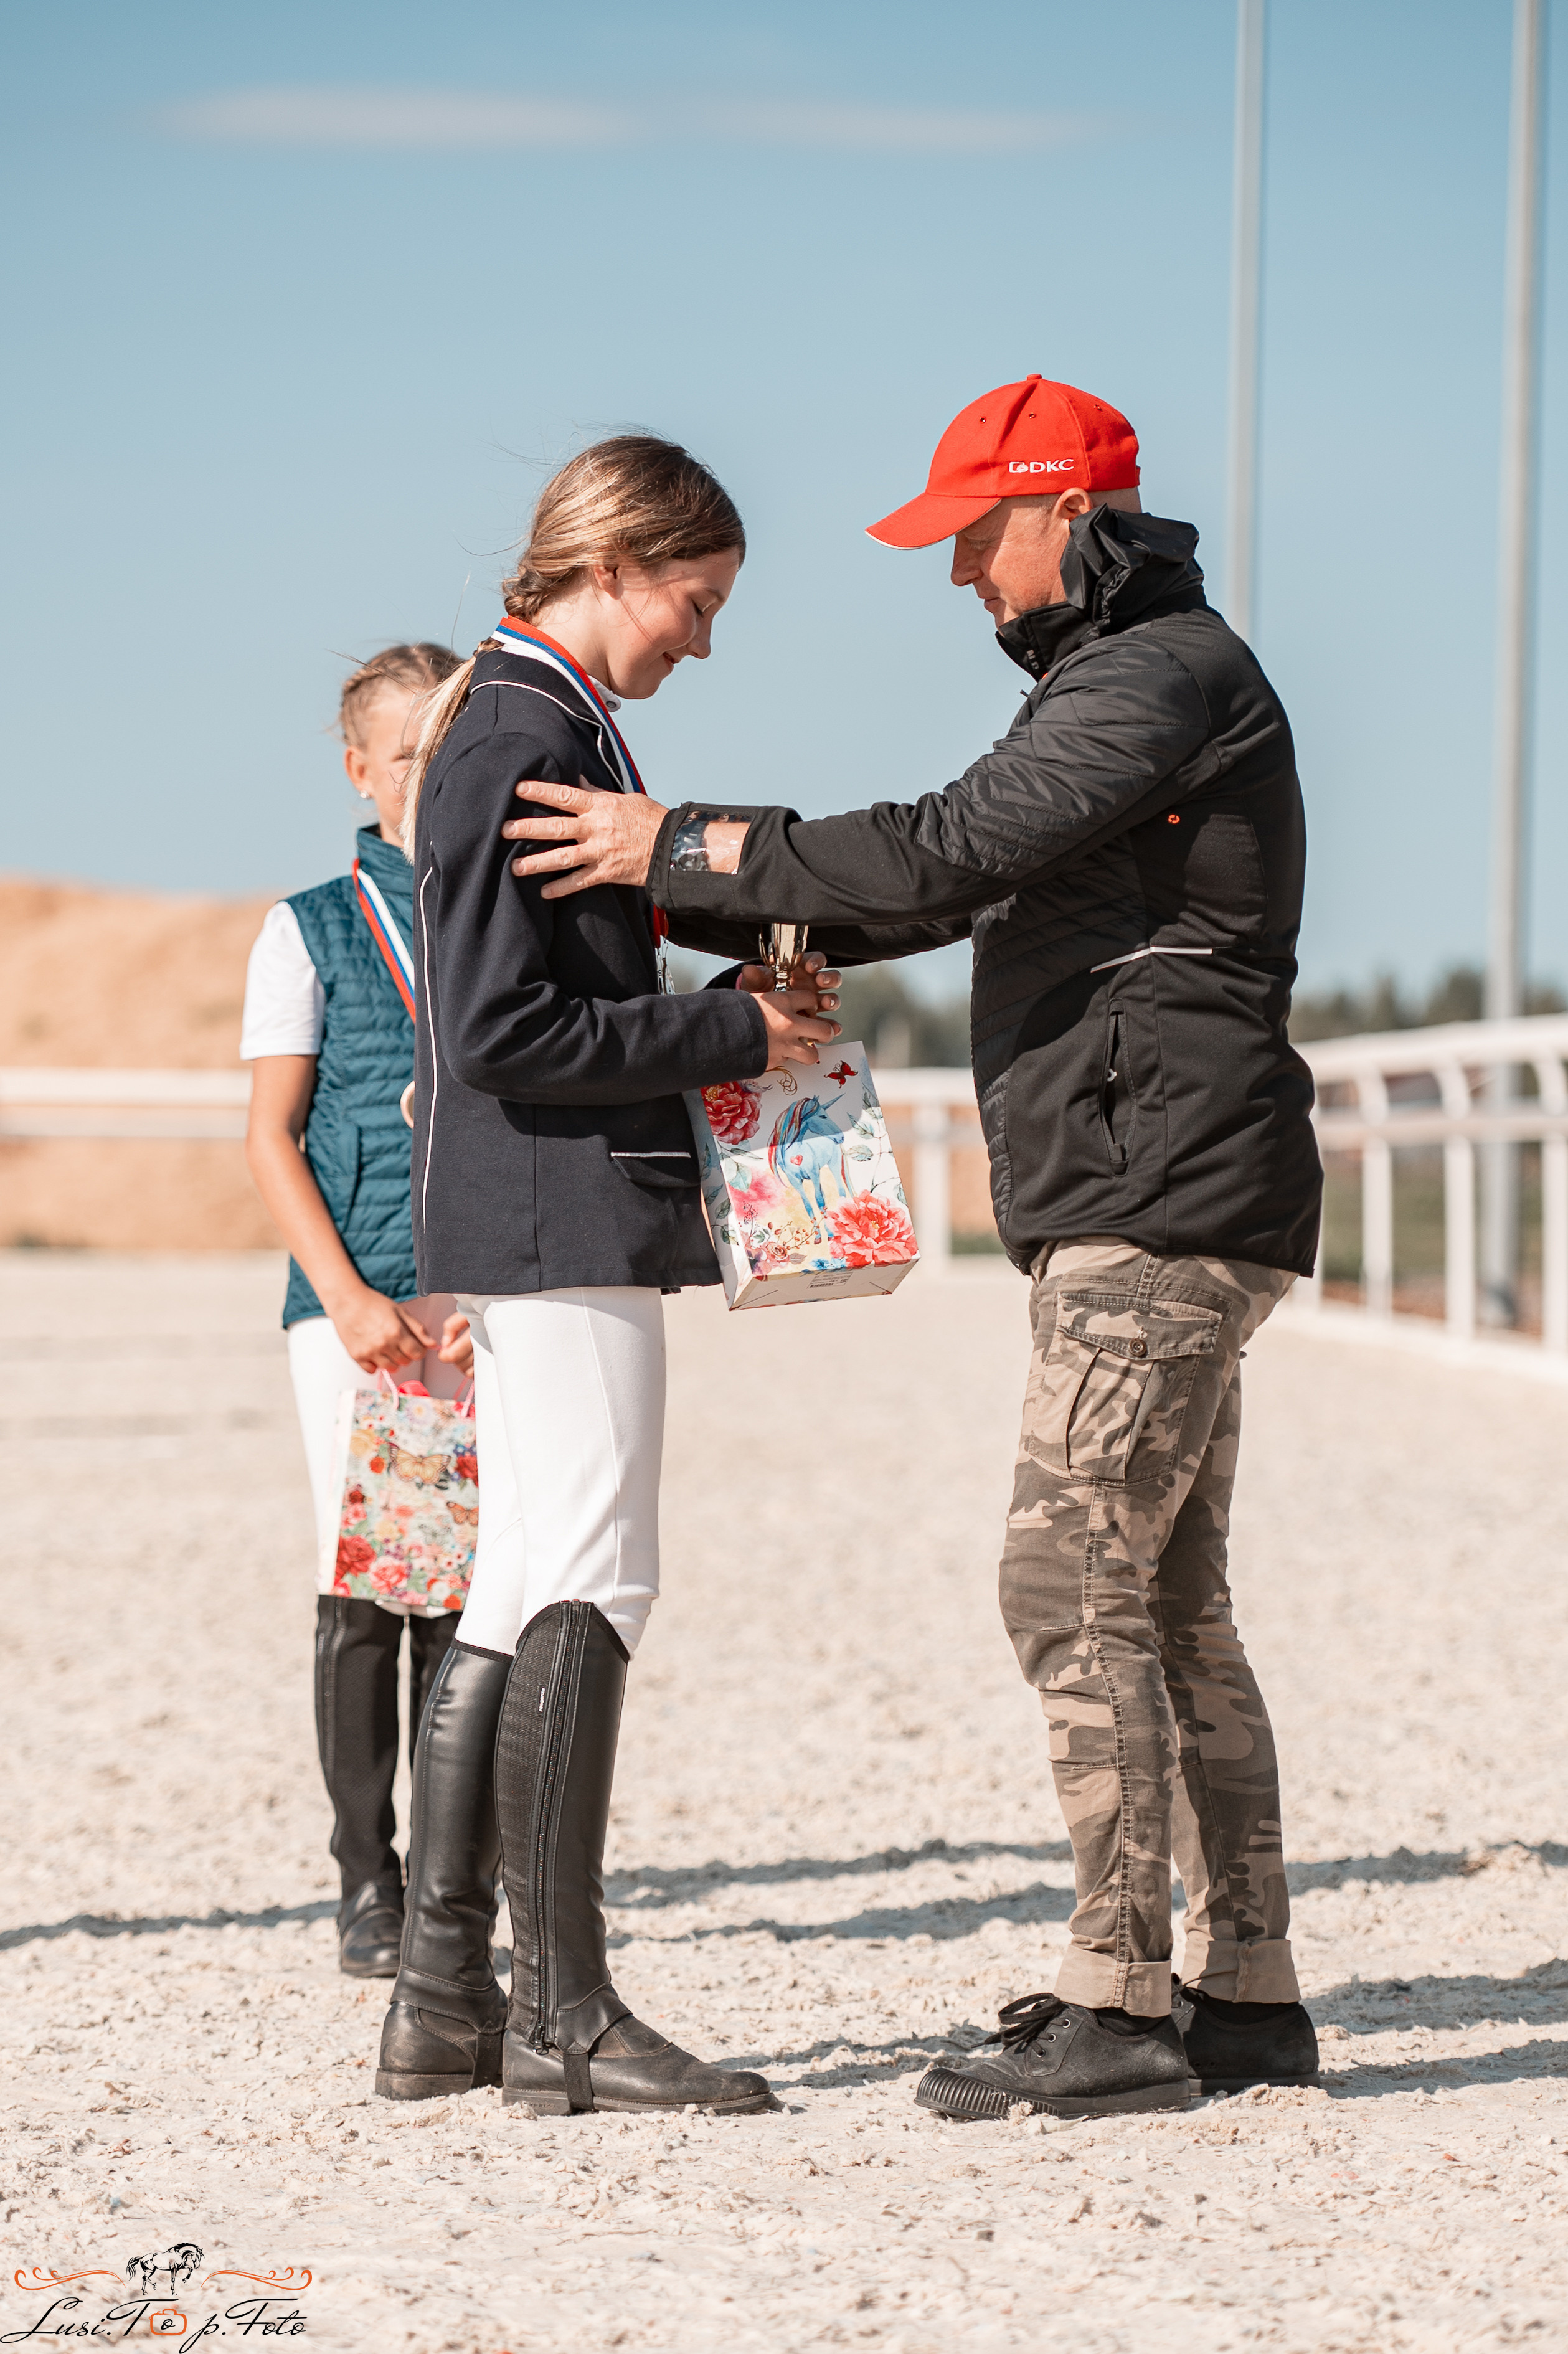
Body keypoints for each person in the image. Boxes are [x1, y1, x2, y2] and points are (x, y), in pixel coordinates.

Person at [499, 376, 1326, 2119]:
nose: (954, 575)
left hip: (1152, 1190)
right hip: (1164, 1180)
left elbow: (946, 852)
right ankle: (1240, 1989)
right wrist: (683, 890)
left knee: (1064, 1582)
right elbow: (933, 880)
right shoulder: (1128, 679)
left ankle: (1116, 2003)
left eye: (970, 535)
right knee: (1170, 1597)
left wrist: (677, 846)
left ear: (1059, 518)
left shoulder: (1153, 680)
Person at [374, 435, 839, 2114]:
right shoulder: (518, 727)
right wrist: (739, 1028)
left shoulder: (533, 718)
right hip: (560, 1206)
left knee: (513, 1583)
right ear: (620, 563)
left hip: (535, 1211)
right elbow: (500, 1027)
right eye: (694, 602)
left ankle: (442, 1995)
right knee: (592, 1573)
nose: (698, 639)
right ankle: (561, 2012)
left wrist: (721, 959)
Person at [242, 643, 476, 1978]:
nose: (427, 780)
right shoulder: (310, 926)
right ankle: (364, 1879)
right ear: (359, 771)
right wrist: (346, 1299)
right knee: (367, 1585)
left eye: (449, 755)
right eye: (405, 758)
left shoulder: (508, 914)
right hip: (350, 1308)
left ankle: (451, 1875)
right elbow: (272, 1136)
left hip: (478, 1309)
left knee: (465, 1588)